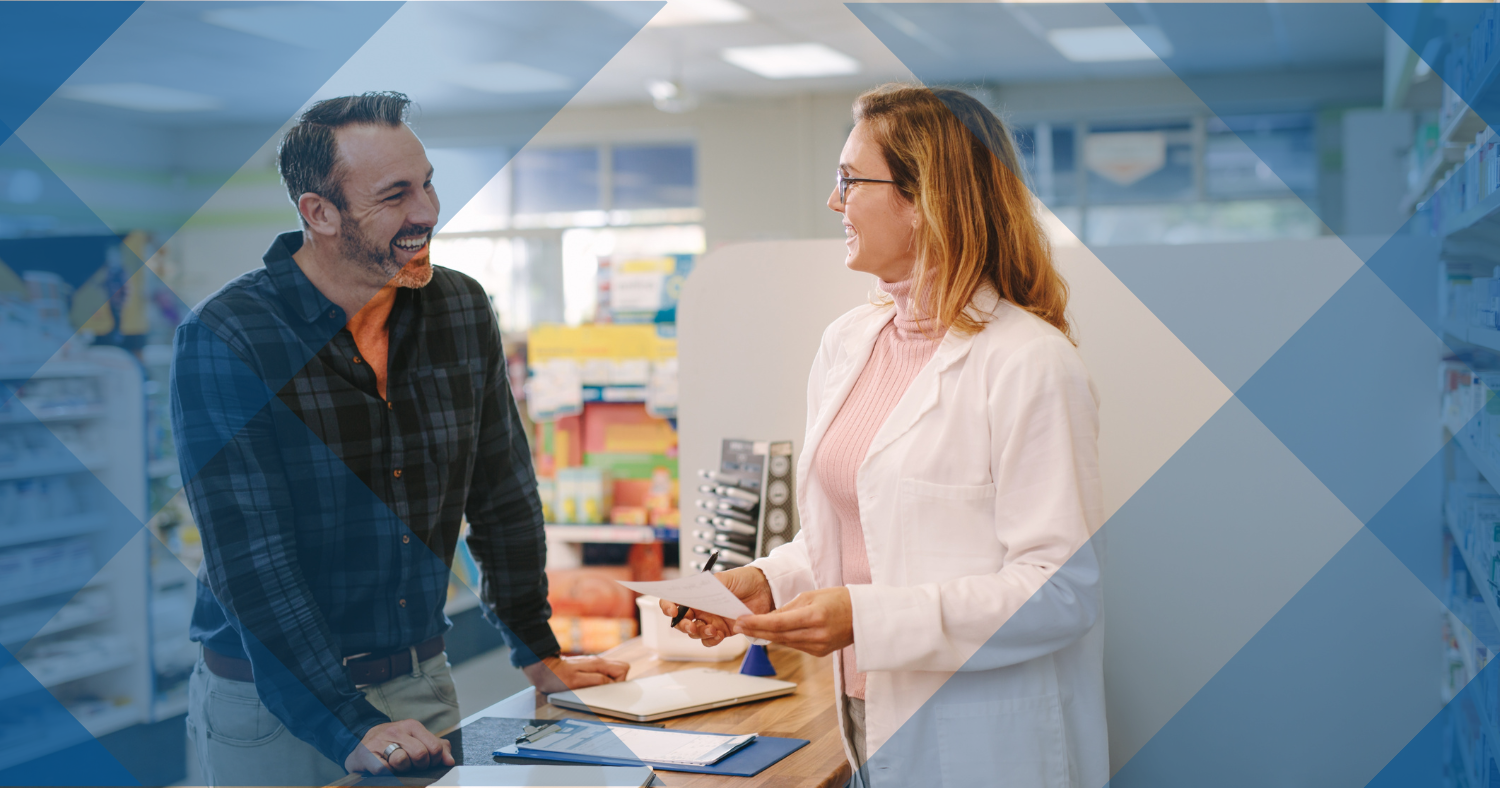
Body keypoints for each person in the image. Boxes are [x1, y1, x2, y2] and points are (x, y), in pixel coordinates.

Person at [172, 92, 628, 786]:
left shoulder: (459, 308)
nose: (427, 212)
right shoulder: (230, 336)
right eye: (395, 195)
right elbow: (252, 558)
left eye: (428, 183)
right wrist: (347, 720)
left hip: (419, 682)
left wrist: (537, 648)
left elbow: (502, 491)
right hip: (272, 706)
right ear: (318, 213)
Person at [663, 83, 1106, 787]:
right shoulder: (850, 343)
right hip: (865, 707)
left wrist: (867, 618)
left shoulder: (1030, 361)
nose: (834, 202)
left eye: (849, 181)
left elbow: (1060, 592)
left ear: (928, 197)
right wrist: (763, 583)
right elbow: (851, 533)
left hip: (982, 735)